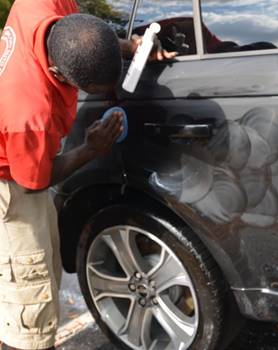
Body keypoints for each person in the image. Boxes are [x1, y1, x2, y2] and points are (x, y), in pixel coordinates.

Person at [0, 1, 175, 349]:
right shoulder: (30, 116)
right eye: (93, 91)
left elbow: (85, 33)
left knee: (34, 278)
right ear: (60, 74)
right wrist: (89, 149)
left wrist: (130, 47)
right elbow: (36, 180)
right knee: (30, 307)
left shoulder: (44, 4)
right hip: (11, 186)